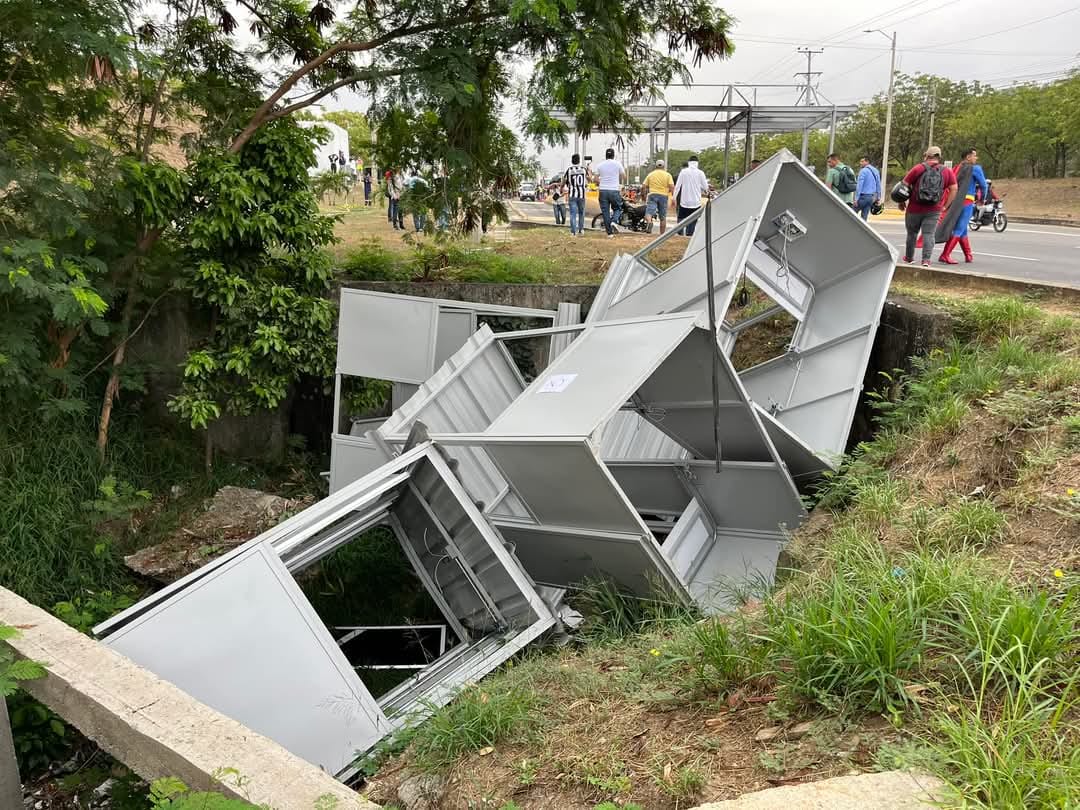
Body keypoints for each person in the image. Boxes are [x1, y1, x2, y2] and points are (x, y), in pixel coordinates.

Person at [898, 146, 957, 267]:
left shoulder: (918, 168)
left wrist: (901, 201)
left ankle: (909, 258)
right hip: (934, 209)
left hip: (914, 208)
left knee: (912, 234)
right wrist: (945, 205)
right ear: (939, 157)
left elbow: (904, 185)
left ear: (927, 156)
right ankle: (926, 260)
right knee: (929, 235)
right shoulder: (946, 171)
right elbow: (954, 188)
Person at [933, 148, 988, 264]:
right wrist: (982, 199)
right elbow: (984, 185)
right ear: (968, 157)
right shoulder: (976, 169)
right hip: (967, 201)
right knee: (959, 229)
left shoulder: (958, 168)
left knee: (962, 230)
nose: (976, 158)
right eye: (974, 156)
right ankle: (945, 255)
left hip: (955, 202)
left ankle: (968, 255)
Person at [672, 155, 709, 237]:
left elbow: (678, 186)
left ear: (689, 162)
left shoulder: (683, 172)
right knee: (693, 220)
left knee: (681, 218)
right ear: (697, 163)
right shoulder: (701, 173)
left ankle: (680, 232)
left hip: (684, 201)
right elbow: (706, 187)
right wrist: (704, 190)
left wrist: (674, 198)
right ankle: (689, 234)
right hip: (696, 202)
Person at [595, 147, 625, 238]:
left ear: (606, 155)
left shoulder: (600, 165)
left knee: (605, 212)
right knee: (617, 208)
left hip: (603, 191)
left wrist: (602, 183)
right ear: (613, 155)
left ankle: (610, 233)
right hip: (614, 190)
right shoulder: (618, 164)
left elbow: (595, 179)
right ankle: (614, 221)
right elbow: (624, 176)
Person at [641, 159, 674, 235]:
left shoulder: (651, 174)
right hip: (664, 196)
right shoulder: (668, 175)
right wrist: (672, 197)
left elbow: (643, 186)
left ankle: (649, 222)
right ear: (663, 166)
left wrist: (644, 195)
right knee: (663, 217)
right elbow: (672, 186)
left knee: (648, 213)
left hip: (653, 195)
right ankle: (661, 235)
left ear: (656, 166)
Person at [563, 154, 588, 236]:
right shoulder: (584, 169)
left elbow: (563, 181)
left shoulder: (569, 170)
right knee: (581, 213)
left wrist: (561, 188)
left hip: (572, 195)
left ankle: (573, 232)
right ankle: (581, 230)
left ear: (572, 161)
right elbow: (590, 179)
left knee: (573, 214)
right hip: (582, 195)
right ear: (579, 160)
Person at [854, 156, 882, 221]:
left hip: (863, 197)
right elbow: (878, 185)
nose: (860, 163)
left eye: (862, 161)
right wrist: (878, 198)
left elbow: (859, 185)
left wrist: (856, 199)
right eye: (860, 161)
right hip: (871, 198)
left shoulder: (863, 171)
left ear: (867, 162)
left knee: (852, 213)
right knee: (864, 217)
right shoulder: (876, 171)